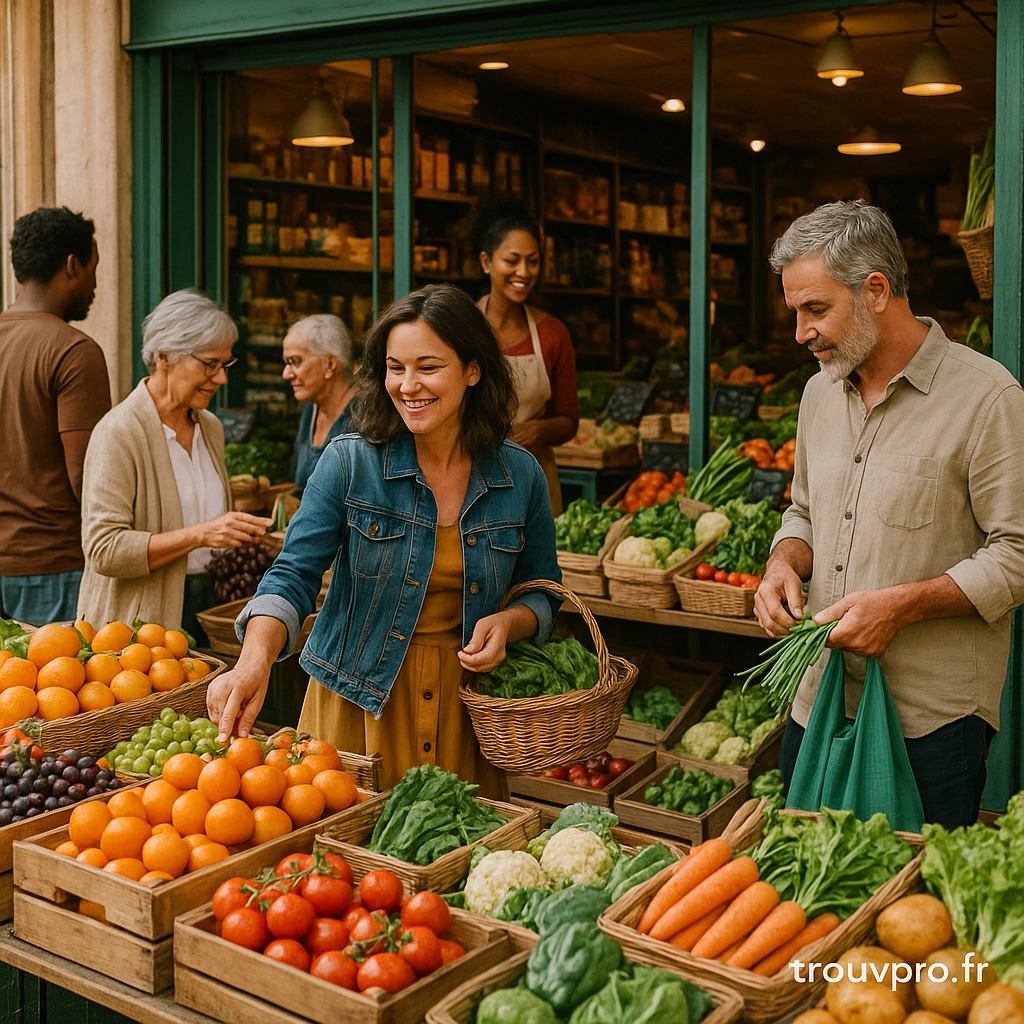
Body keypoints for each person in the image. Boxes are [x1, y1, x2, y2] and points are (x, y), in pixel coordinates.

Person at [207, 284, 562, 796]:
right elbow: (292, 573)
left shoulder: (520, 475)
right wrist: (253, 661)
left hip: (468, 712)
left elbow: (544, 589)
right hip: (356, 700)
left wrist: (511, 620)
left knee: (456, 858)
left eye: (428, 366)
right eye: (396, 367)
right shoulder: (350, 462)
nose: (408, 385)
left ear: (473, 370)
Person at [756, 200, 1024, 830]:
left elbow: (1016, 554)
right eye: (795, 311)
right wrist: (780, 564)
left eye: (815, 309)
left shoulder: (987, 398)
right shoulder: (820, 393)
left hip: (928, 723)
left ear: (875, 290)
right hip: (816, 700)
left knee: (913, 914)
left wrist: (901, 607)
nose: (800, 333)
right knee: (807, 894)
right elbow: (802, 513)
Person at [78, 289, 272, 640]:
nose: (222, 378)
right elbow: (104, 550)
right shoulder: (118, 432)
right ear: (164, 356)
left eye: (226, 364)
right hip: (137, 629)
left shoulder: (209, 426)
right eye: (209, 364)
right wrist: (201, 534)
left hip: (212, 608)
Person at [0, 206, 108, 626]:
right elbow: (87, 477)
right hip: (52, 566)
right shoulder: (74, 352)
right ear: (72, 264)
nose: (96, 284)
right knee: (55, 691)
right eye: (94, 267)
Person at [476, 201, 579, 516]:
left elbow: (569, 419)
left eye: (532, 262)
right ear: (486, 262)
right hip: (471, 477)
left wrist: (535, 432)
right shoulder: (461, 327)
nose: (524, 272)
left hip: (536, 479)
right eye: (512, 260)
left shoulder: (553, 334)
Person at [282, 313, 359, 489]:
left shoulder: (362, 421)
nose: (286, 374)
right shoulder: (310, 411)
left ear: (330, 365)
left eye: (295, 362)